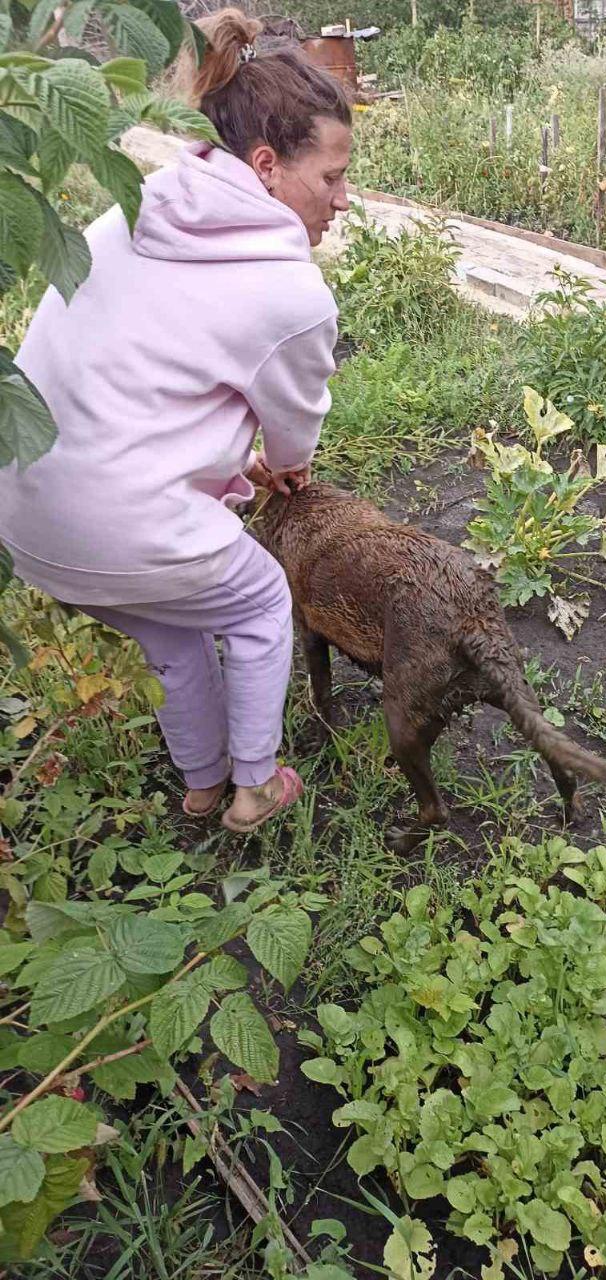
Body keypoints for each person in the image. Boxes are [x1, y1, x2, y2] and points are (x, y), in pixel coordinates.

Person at [0, 9, 352, 832]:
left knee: (173, 626)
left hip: (25, 515)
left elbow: (144, 370)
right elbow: (295, 427)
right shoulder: (289, 291)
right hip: (124, 520)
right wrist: (285, 462)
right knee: (261, 603)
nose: (343, 200)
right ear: (266, 166)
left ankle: (201, 785)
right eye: (331, 177)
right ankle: (254, 788)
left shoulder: (141, 204)